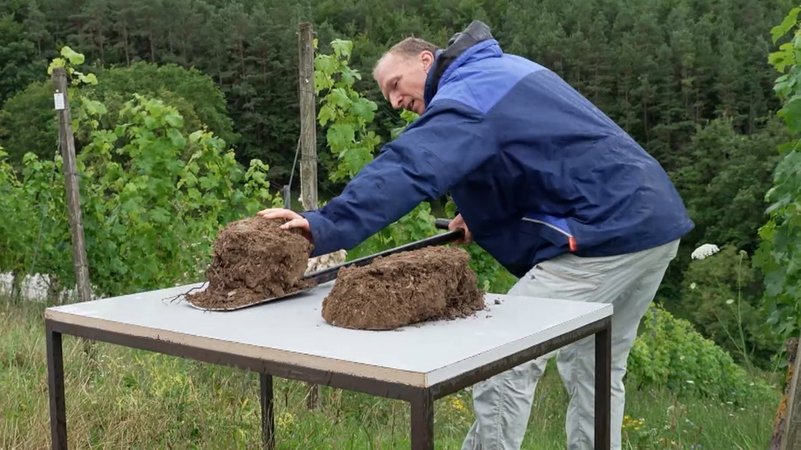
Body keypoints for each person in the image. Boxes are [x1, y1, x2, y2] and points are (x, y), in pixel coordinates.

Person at [260, 20, 693, 450]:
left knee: (503, 361)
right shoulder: (500, 70)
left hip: (607, 233)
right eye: (387, 96)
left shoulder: (469, 91)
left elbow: (412, 167)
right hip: (650, 219)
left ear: (426, 60)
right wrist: (482, 214)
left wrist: (324, 226)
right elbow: (539, 160)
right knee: (596, 368)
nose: (394, 102)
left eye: (395, 84)